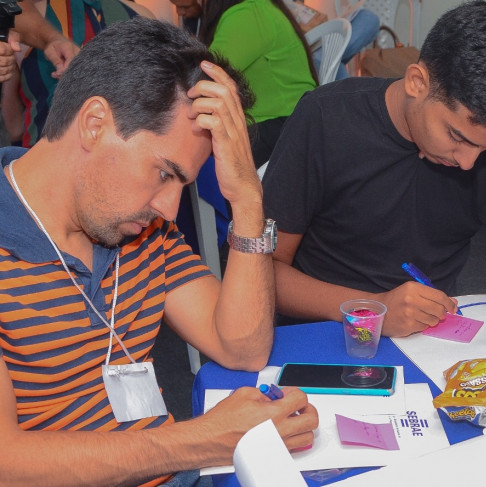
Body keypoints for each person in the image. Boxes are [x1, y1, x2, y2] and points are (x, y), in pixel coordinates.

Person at [0, 17, 318, 486]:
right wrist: (203, 440)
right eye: (164, 173)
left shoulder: (141, 229)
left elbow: (243, 347)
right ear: (94, 124)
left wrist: (248, 199)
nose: (169, 210)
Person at [262, 1, 486, 337]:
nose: (467, 162)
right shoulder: (327, 118)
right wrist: (373, 308)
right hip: (325, 331)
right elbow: (264, 272)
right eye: (457, 137)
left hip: (428, 340)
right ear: (417, 82)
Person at [17, 0, 156, 147]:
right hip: (123, 150)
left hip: (46, 151)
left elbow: (14, 127)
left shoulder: (26, 19)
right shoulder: (142, 16)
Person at [199, 0, 318, 166]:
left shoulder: (247, 15)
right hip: (294, 123)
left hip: (282, 129)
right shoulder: (260, 8)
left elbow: (204, 76)